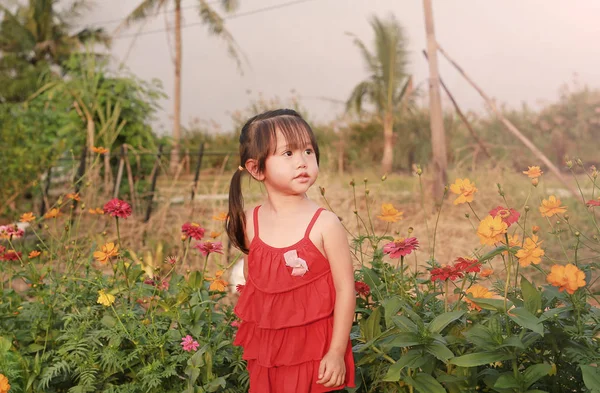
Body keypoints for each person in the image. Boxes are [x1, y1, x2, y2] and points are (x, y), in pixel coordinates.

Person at [226, 109, 356, 392]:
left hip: (317, 357)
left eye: (308, 151)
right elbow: (255, 284)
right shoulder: (251, 222)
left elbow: (346, 289)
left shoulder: (324, 224)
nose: (302, 162)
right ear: (256, 169)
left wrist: (336, 353)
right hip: (270, 358)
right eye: (288, 154)